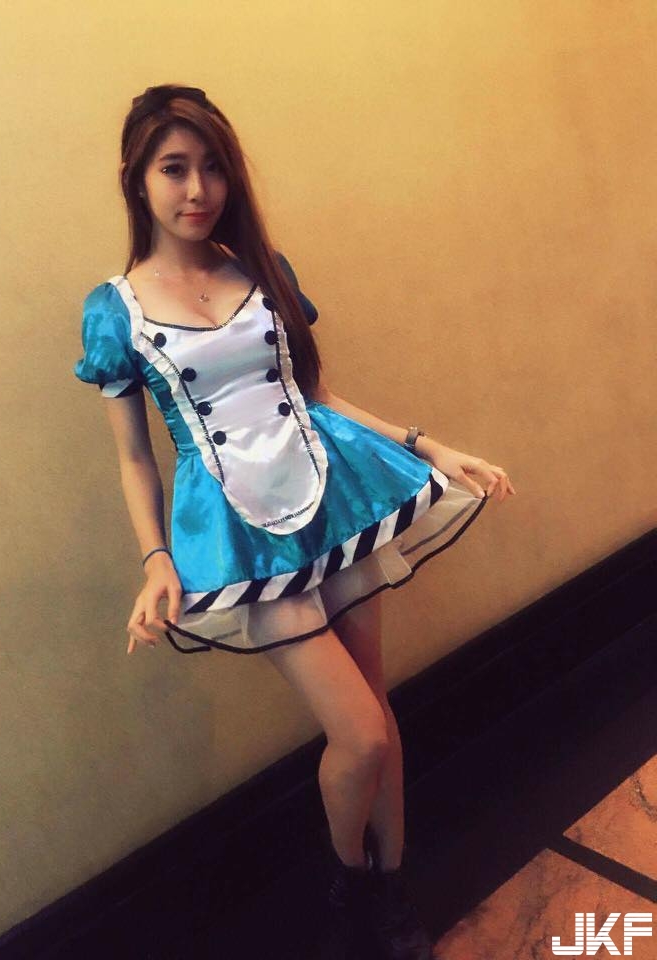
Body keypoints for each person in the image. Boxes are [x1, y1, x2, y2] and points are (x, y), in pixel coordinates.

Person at [73, 84, 516, 959]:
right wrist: (156, 559)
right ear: (136, 176)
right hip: (239, 534)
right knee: (358, 734)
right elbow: (134, 457)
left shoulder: (259, 267)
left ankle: (390, 891)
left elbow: (312, 396)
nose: (197, 190)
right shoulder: (114, 310)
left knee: (378, 717)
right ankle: (350, 881)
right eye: (174, 168)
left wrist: (428, 445)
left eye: (212, 168)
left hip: (331, 497)